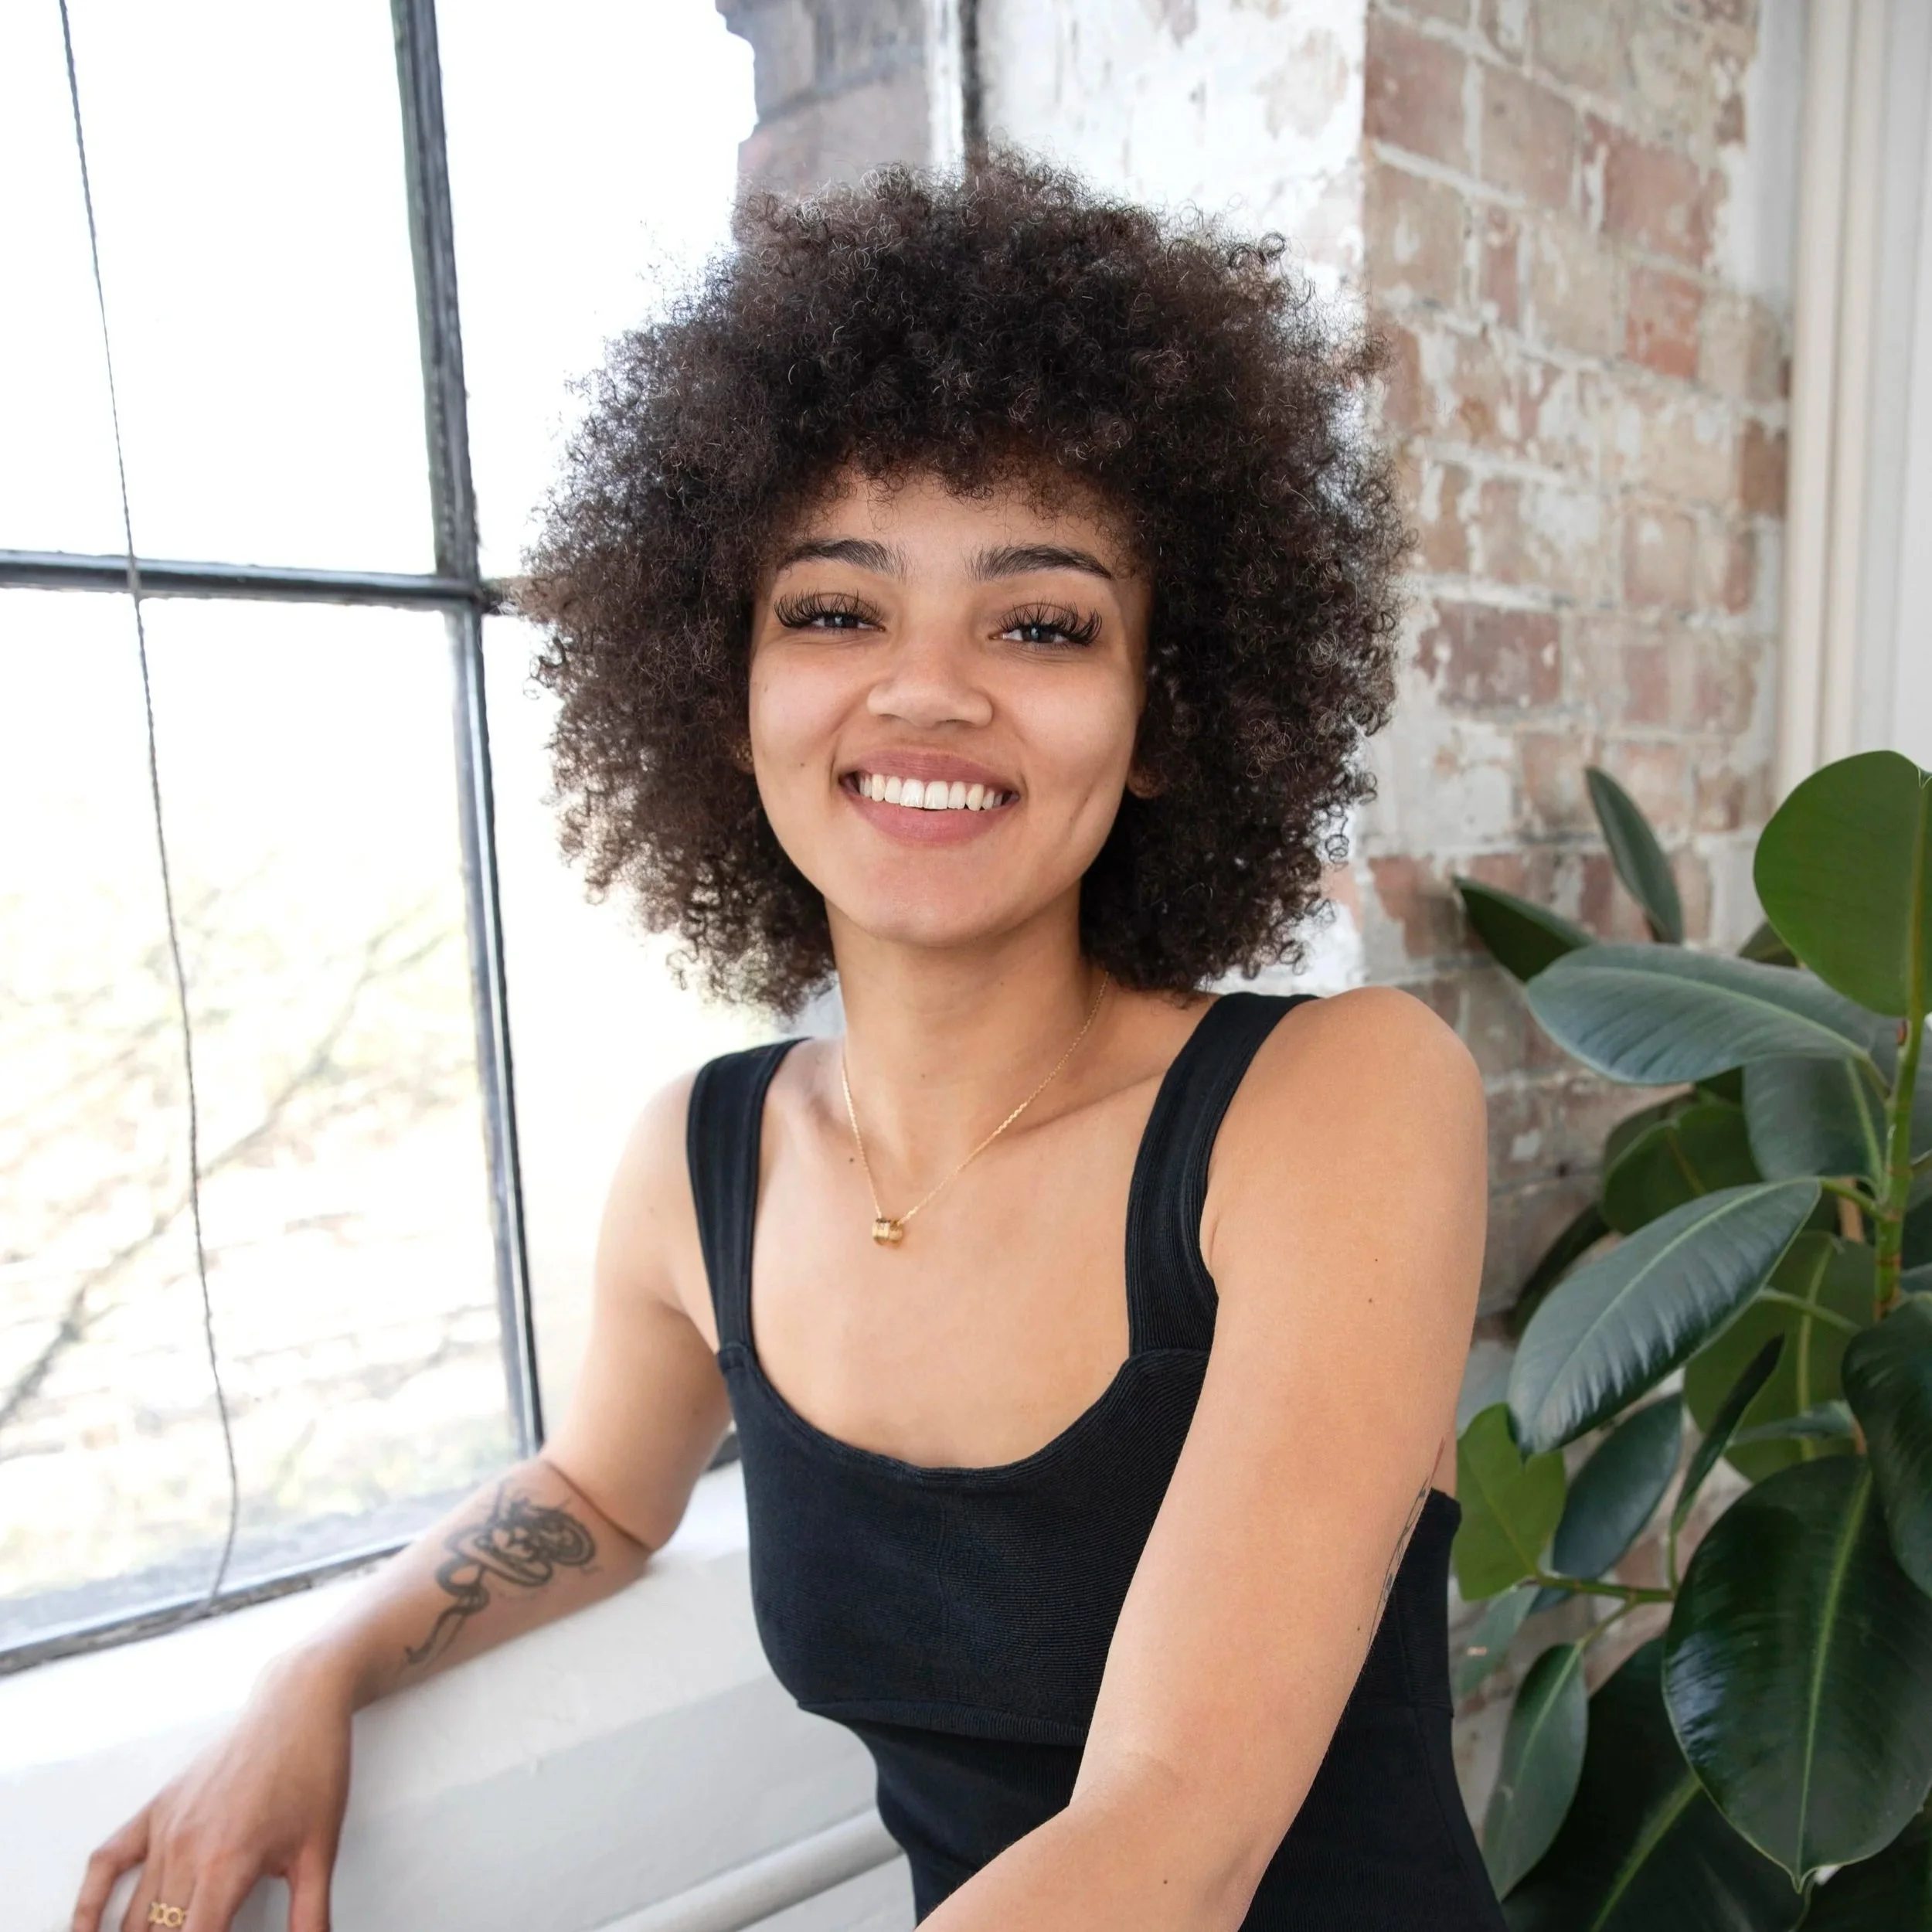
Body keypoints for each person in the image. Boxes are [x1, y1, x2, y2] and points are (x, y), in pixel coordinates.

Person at [73, 151, 1499, 1932]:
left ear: (1161, 714)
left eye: (1040, 620)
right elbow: (598, 1487)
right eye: (833, 608)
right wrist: (314, 1673)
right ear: (721, 684)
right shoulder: (702, 1159)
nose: (924, 690)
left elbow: (1172, 1826)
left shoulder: (1333, 1105)